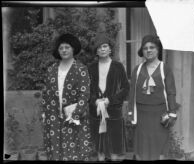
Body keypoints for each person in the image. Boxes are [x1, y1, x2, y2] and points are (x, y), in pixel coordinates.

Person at [41, 33, 92, 161]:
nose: (64, 50)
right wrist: (44, 113)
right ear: (58, 51)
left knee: (75, 152)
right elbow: (46, 93)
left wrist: (75, 114)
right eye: (61, 48)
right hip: (53, 118)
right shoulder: (51, 69)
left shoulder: (81, 69)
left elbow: (84, 94)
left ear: (73, 49)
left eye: (67, 47)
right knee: (55, 151)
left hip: (73, 118)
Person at [128, 35, 180, 160]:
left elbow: (171, 92)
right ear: (142, 51)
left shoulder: (165, 69)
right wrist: (131, 113)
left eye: (152, 47)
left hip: (159, 116)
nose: (149, 50)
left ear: (158, 49)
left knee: (160, 152)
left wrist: (172, 113)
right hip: (141, 116)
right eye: (145, 48)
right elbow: (132, 94)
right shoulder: (137, 69)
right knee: (141, 152)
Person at [88, 33, 130, 161]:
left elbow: (125, 88)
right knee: (99, 149)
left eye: (105, 46)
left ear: (110, 49)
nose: (102, 49)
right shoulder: (90, 68)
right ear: (96, 51)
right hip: (96, 112)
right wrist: (94, 100)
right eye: (99, 47)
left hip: (113, 112)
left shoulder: (118, 66)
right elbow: (85, 89)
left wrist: (110, 100)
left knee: (114, 148)